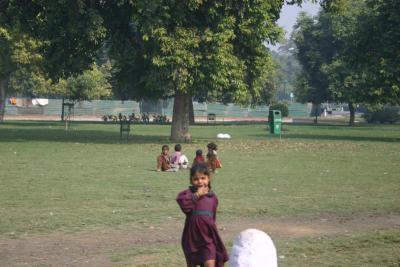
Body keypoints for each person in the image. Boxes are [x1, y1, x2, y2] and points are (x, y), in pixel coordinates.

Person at [176, 163, 229, 267]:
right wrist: (197, 195)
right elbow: (184, 205)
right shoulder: (188, 194)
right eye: (196, 179)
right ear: (191, 180)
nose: (200, 181)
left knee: (210, 263)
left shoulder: (213, 198)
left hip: (208, 238)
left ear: (208, 179)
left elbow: (212, 217)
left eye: (203, 178)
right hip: (192, 237)